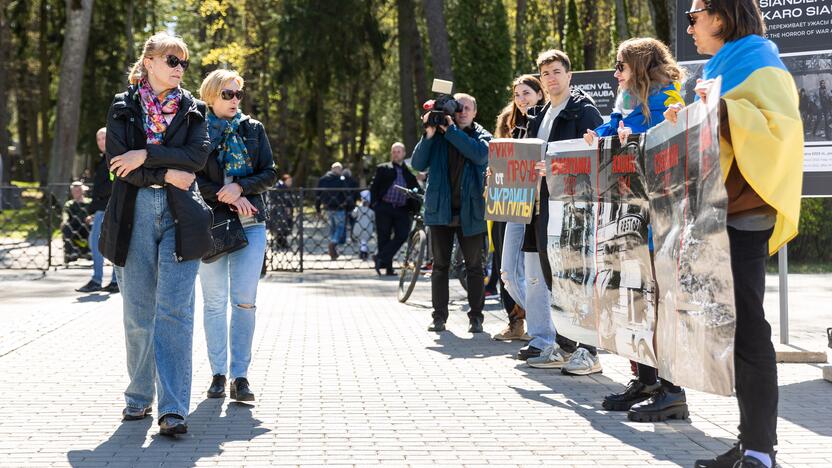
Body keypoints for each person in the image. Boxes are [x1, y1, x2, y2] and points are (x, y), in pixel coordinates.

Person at [665, 2, 803, 466]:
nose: (690, 26)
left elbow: (780, 133)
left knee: (748, 330)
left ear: (720, 17)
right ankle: (749, 444)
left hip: (743, 214)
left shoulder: (761, 62)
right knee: (736, 328)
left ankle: (761, 452)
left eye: (694, 16)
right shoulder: (720, 65)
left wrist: (718, 111)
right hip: (716, 214)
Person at [100, 32, 211, 436]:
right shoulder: (122, 107)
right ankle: (137, 397)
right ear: (148, 62)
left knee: (175, 313)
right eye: (171, 60)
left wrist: (145, 154)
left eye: (183, 62)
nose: (179, 69)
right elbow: (118, 164)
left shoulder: (194, 109)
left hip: (183, 215)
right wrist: (166, 171)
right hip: (135, 212)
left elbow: (197, 158)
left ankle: (173, 409)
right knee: (138, 313)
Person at [582, 37, 689, 422]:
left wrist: (632, 139)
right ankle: (645, 380)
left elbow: (666, 144)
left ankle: (672, 390)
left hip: (657, 218)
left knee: (658, 305)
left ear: (640, 67)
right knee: (635, 300)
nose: (615, 74)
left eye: (621, 67)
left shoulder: (669, 100)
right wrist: (601, 136)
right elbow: (615, 126)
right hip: (628, 213)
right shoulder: (627, 99)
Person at [513, 50, 603, 373]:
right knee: (555, 276)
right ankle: (565, 345)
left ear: (569, 75)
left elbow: (595, 154)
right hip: (543, 207)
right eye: (545, 73)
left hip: (573, 206)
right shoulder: (541, 115)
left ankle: (590, 350)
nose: (550, 78)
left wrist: (553, 166)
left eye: (556, 72)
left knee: (577, 274)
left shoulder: (584, 111)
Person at [197, 69, 276, 403]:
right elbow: (191, 177)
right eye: (226, 94)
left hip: (250, 225)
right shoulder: (195, 129)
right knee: (214, 303)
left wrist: (241, 186)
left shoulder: (253, 129)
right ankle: (218, 374)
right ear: (211, 95)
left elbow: (269, 172)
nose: (233, 100)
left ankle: (240, 377)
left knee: (244, 302)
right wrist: (225, 194)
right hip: (210, 224)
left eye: (237, 94)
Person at [411, 92, 490, 333]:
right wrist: (429, 135)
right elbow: (417, 164)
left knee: (474, 266)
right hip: (440, 212)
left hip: (471, 211)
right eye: (459, 108)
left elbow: (479, 155)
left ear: (475, 112)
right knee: (440, 266)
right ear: (452, 111)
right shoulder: (438, 135)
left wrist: (451, 131)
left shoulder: (482, 136)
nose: (463, 112)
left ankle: (476, 317)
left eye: (468, 108)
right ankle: (439, 317)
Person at [490, 74, 547, 342]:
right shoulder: (510, 123)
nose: (522, 99)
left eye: (527, 93)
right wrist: (493, 176)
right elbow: (501, 161)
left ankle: (546, 327)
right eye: (517, 95)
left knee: (533, 271)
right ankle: (535, 320)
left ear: (539, 93)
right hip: (511, 204)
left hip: (540, 205)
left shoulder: (546, 120)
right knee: (508, 272)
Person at [77, 128, 119, 293]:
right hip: (102, 208)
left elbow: (112, 184)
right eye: (98, 139)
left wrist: (96, 205)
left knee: (97, 244)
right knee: (98, 243)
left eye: (104, 138)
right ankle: (111, 280)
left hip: (108, 208)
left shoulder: (113, 158)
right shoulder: (104, 160)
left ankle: (100, 280)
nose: (101, 141)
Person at [369, 142, 420, 275]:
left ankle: (380, 257)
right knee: (383, 237)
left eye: (398, 151)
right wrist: (374, 204)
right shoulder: (383, 168)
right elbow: (374, 187)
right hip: (384, 207)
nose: (396, 154)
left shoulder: (409, 171)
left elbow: (416, 187)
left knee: (402, 235)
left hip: (402, 209)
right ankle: (388, 268)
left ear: (403, 153)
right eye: (394, 151)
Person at [315, 162, 350, 260]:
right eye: (340, 169)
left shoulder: (323, 179)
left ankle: (334, 252)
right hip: (339, 207)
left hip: (327, 208)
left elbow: (318, 195)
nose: (340, 171)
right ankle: (333, 243)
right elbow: (347, 193)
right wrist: (348, 204)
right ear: (336, 169)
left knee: (333, 229)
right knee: (340, 227)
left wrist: (318, 209)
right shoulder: (340, 179)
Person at [62, 181, 91, 264]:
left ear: (83, 191)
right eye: (74, 191)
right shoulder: (69, 203)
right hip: (73, 226)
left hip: (86, 226)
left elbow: (94, 212)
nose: (76, 193)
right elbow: (65, 213)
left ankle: (89, 251)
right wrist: (64, 221)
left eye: (78, 191)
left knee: (92, 226)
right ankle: (71, 252)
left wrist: (91, 217)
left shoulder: (89, 202)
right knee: (67, 227)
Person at [268, 174, 294, 249]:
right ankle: (280, 243)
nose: (290, 182)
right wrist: (285, 207)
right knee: (281, 226)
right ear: (284, 180)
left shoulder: (286, 188)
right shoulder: (279, 187)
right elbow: (277, 199)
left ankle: (283, 242)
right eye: (289, 181)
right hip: (279, 211)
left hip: (284, 210)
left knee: (285, 226)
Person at [352, 190, 375, 260]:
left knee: (361, 241)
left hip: (358, 227)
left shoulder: (358, 209)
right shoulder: (371, 211)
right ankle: (364, 252)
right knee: (364, 241)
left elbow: (353, 215)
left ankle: (363, 252)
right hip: (368, 228)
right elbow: (374, 219)